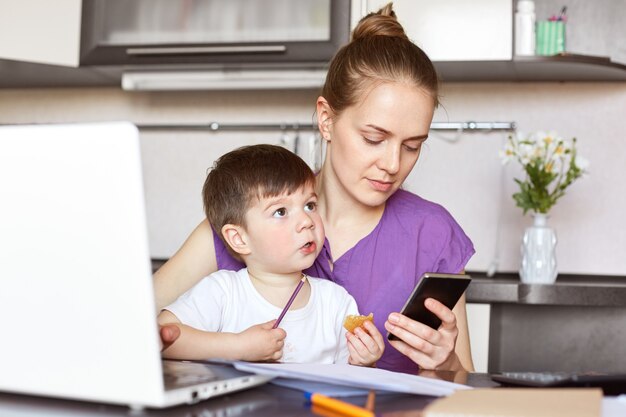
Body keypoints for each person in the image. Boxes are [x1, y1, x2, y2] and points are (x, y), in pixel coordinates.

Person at [154, 3, 475, 373]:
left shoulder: (432, 233)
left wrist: (445, 360)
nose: (392, 164)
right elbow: (130, 323)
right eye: (373, 138)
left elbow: (466, 386)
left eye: (412, 146)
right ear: (326, 120)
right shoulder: (247, 217)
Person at [159, 145, 384, 366]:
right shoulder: (224, 292)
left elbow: (351, 379)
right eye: (281, 212)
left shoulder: (336, 302)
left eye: (310, 205)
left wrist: (364, 361)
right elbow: (162, 336)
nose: (307, 221)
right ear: (239, 239)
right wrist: (237, 346)